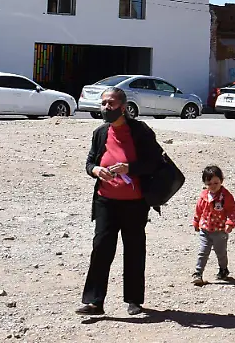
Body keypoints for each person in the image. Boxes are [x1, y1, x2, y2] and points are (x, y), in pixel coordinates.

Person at [77, 87, 165, 316]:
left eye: (112, 104)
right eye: (104, 103)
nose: (107, 107)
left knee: (134, 250)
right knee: (101, 249)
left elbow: (155, 162)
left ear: (123, 107)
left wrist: (130, 168)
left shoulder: (140, 131)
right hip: (105, 201)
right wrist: (96, 170)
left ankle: (134, 300)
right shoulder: (100, 133)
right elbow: (89, 162)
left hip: (135, 203)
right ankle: (95, 302)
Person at [192, 165, 235, 285]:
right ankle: (198, 273)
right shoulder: (204, 196)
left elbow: (232, 210)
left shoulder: (226, 196)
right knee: (203, 252)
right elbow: (199, 210)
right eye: (209, 183)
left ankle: (223, 269)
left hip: (220, 231)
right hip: (205, 229)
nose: (213, 186)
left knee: (221, 253)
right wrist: (196, 222)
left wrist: (230, 223)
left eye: (216, 183)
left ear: (221, 181)